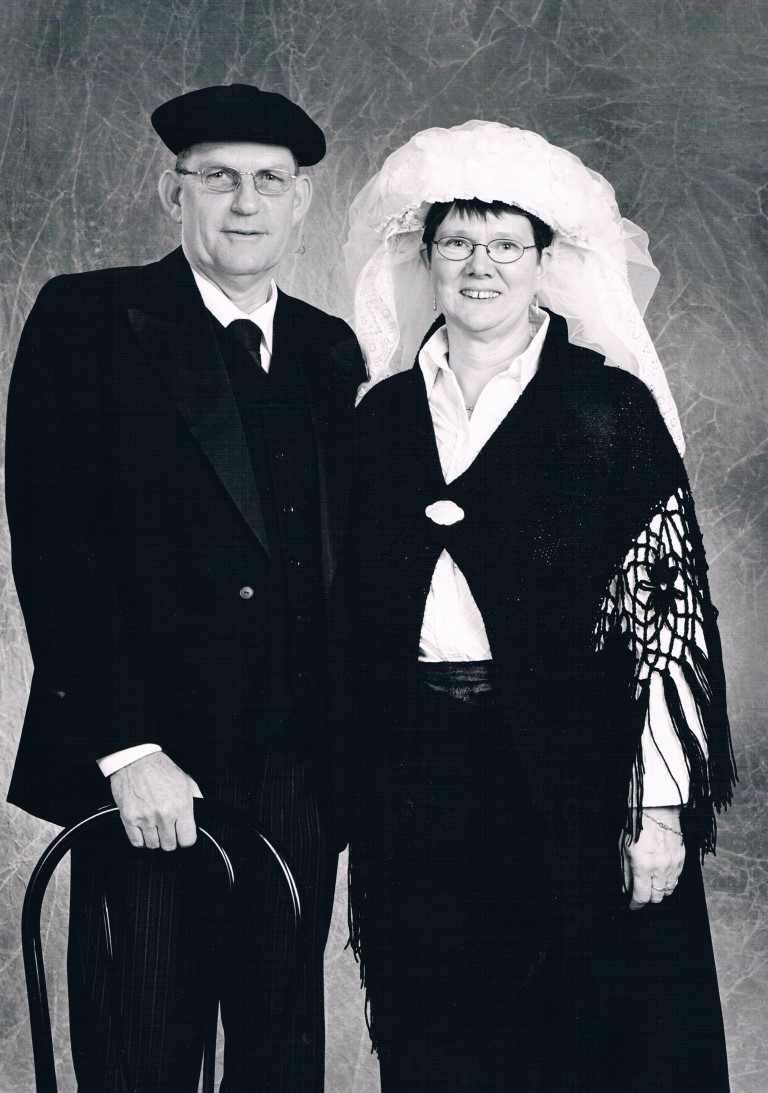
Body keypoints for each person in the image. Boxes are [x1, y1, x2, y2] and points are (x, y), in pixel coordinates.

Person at [342, 121, 736, 1093]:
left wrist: (657, 807)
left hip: (575, 783)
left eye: (505, 244)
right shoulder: (379, 418)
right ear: (425, 256)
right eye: (458, 241)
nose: (480, 265)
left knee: (584, 1044)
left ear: (544, 262)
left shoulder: (609, 413)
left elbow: (667, 621)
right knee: (441, 1042)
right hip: (420, 786)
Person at [5, 83, 365, 1092]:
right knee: (143, 1056)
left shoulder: (331, 348)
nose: (245, 203)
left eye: (269, 181)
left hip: (300, 775)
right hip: (157, 771)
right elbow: (55, 544)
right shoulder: (87, 318)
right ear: (175, 193)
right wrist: (126, 749)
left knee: (278, 1061)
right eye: (219, 178)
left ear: (300, 202)